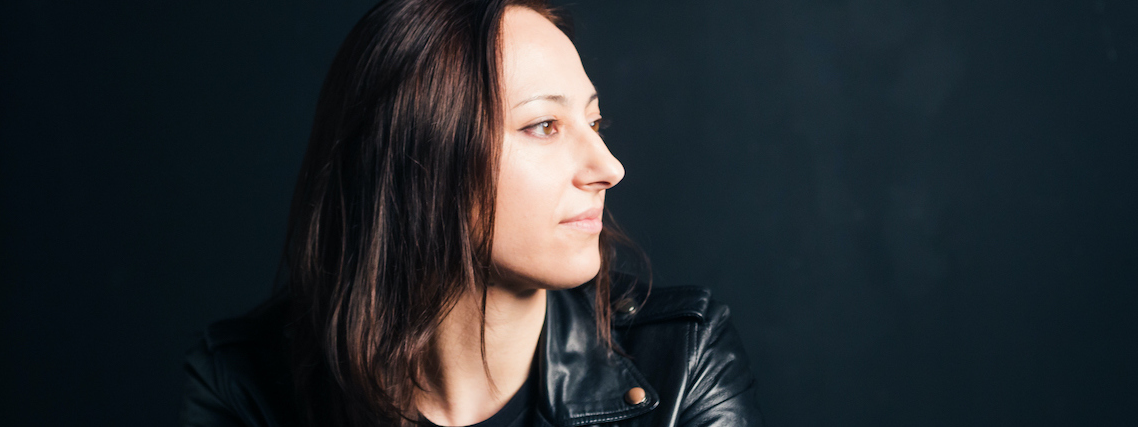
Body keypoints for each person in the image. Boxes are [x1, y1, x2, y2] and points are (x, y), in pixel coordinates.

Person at [179, 0, 763, 426]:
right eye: (543, 126)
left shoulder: (682, 361)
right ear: (418, 160)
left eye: (595, 121)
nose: (609, 166)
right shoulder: (242, 384)